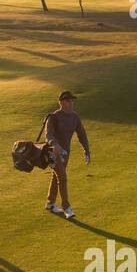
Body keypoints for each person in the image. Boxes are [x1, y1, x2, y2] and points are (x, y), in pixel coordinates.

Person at [42, 90, 90, 220]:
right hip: (53, 153)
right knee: (62, 177)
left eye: (72, 101)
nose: (71, 103)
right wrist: (54, 144)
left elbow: (82, 134)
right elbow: (49, 135)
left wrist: (86, 150)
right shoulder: (54, 117)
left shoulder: (75, 117)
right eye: (68, 101)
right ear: (61, 102)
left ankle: (50, 203)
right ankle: (66, 207)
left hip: (66, 154)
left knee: (56, 176)